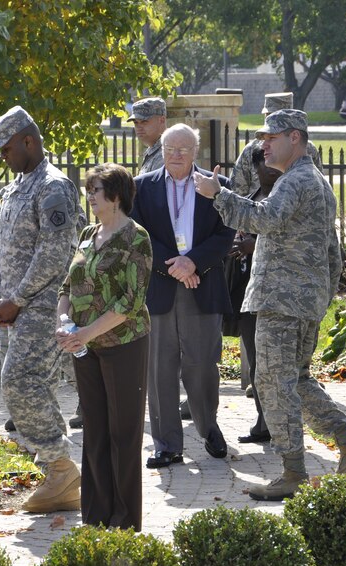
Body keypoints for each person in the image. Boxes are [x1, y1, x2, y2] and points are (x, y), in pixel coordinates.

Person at [194, 109, 346, 501]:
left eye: (271, 138)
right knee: (297, 379)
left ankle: (293, 472)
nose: (264, 145)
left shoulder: (296, 181)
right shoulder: (312, 180)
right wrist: (320, 298)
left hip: (283, 300)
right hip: (299, 300)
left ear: (295, 138)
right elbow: (333, 253)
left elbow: (264, 219)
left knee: (273, 382)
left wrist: (218, 195)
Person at [0, 106, 83, 513]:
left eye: (7, 148)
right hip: (10, 309)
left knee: (19, 383)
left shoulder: (53, 187)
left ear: (29, 141)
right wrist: (8, 290)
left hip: (38, 307)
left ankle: (61, 466)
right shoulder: (12, 189)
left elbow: (58, 249)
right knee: (31, 388)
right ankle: (60, 481)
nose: (3, 156)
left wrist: (20, 297)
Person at [131, 123, 235, 469]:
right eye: (170, 149)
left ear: (196, 152)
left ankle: (208, 427)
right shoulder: (141, 188)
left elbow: (225, 234)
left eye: (183, 149)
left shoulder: (216, 186)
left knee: (201, 365)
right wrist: (173, 266)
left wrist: (194, 263)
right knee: (160, 368)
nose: (176, 155)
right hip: (161, 288)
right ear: (161, 151)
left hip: (202, 286)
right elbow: (138, 234)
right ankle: (167, 444)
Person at [56, 163, 152, 531]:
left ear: (116, 195)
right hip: (85, 346)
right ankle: (95, 517)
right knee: (94, 431)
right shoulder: (87, 233)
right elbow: (68, 287)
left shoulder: (136, 238)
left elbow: (130, 302)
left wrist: (87, 332)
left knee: (123, 434)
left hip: (123, 344)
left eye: (96, 191)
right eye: (89, 190)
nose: (90, 197)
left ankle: (125, 521)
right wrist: (64, 325)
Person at [0, 193, 86, 431]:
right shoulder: (5, 195)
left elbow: (77, 226)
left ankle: (87, 401)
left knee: (62, 352)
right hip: (9, 288)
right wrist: (11, 240)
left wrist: (33, 239)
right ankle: (22, 409)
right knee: (9, 353)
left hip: (45, 290)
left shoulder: (54, 189)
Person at [228, 147, 282, 444]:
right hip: (247, 292)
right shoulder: (249, 202)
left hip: (275, 294)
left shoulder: (283, 199)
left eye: (273, 165)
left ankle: (278, 422)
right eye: (265, 165)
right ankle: (263, 421)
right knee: (255, 360)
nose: (270, 170)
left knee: (273, 363)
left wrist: (253, 245)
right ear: (256, 168)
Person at [230, 92, 322, 198]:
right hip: (258, 209)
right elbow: (237, 189)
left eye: (277, 117)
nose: (271, 121)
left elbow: (318, 185)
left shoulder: (308, 149)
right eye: (268, 116)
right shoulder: (252, 149)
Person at [129, 97, 167, 175]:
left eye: (144, 122)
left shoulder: (168, 153)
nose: (139, 127)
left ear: (162, 120)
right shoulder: (153, 149)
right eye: (136, 123)